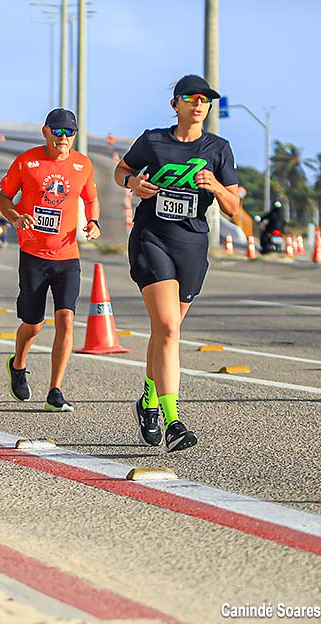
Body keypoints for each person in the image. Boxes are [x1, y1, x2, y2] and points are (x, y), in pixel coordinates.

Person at [114, 74, 240, 452]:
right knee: (168, 327)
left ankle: (148, 400)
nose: (199, 104)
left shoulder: (218, 148)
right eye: (191, 98)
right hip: (151, 238)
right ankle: (173, 421)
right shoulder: (153, 140)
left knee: (165, 331)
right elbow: (121, 170)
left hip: (192, 245)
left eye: (206, 100)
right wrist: (132, 184)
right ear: (176, 104)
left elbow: (234, 208)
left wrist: (215, 186)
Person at [0, 108, 101, 413]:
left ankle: (55, 390)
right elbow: (4, 199)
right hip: (32, 255)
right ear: (45, 132)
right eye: (57, 132)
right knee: (34, 325)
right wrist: (15, 217)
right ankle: (18, 365)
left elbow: (91, 198)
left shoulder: (83, 164)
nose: (63, 138)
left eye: (69, 133)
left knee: (66, 319)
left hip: (68, 256)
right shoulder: (26, 162)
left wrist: (93, 222)